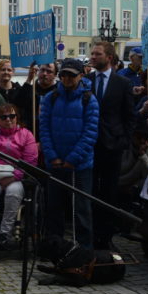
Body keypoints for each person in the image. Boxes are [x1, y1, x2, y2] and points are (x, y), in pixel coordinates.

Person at [38, 58, 99, 247]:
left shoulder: (89, 99)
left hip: (80, 165)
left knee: (81, 209)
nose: (67, 78)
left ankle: (84, 249)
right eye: (63, 74)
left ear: (81, 76)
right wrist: (52, 156)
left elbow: (90, 133)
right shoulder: (51, 98)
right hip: (55, 163)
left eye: (71, 75)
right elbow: (44, 129)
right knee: (54, 207)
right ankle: (54, 246)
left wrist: (73, 158)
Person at [88, 42, 137, 244]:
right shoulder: (86, 81)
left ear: (109, 57)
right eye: (92, 53)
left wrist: (124, 140)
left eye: (97, 54)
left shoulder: (123, 83)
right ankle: (90, 233)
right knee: (90, 189)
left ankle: (106, 236)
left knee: (109, 191)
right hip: (89, 144)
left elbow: (129, 115)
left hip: (113, 144)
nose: (92, 57)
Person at [0, 103, 37, 249]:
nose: (8, 119)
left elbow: (30, 161)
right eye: (4, 117)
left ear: (17, 117)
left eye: (12, 116)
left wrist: (14, 176)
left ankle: (5, 233)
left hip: (16, 175)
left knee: (14, 192)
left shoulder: (26, 134)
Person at [14, 61, 58, 136]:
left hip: (52, 134)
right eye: (42, 70)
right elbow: (17, 104)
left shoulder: (59, 92)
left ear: (55, 75)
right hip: (30, 134)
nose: (44, 74)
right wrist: (29, 79)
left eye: (49, 71)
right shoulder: (30, 89)